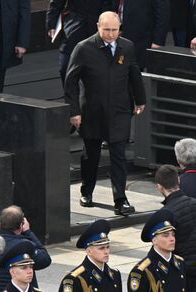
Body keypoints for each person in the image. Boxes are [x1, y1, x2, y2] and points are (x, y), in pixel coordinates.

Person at [65, 11, 146, 216]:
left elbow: (134, 74)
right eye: (107, 29)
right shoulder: (83, 48)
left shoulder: (126, 46)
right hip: (92, 111)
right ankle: (87, 190)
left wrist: (140, 99)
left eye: (114, 30)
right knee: (91, 155)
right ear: (98, 27)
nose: (111, 34)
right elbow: (70, 81)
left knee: (118, 155)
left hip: (119, 111)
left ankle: (121, 199)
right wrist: (74, 111)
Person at [155, 164, 196, 290]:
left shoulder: (166, 214)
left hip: (183, 275)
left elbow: (164, 250)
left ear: (159, 187)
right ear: (179, 180)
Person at [0, 206, 51, 291]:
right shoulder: (24, 247)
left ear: (0, 224)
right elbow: (45, 259)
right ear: (21, 225)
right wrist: (28, 232)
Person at [46, 0, 115, 86]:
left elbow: (110, 5)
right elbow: (56, 3)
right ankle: (70, 96)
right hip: (73, 25)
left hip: (98, 27)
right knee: (66, 65)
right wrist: (51, 24)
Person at [127, 209, 186, 291]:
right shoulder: (142, 271)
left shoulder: (180, 262)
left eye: (173, 234)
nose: (172, 239)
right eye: (166, 235)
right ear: (154, 240)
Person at [58, 219, 121, 292]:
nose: (106, 252)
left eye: (107, 247)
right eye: (101, 248)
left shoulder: (115, 275)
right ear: (89, 251)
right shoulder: (75, 279)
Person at [119, 0, 170, 69]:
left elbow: (163, 13)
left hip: (141, 38)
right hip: (120, 35)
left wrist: (158, 41)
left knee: (135, 72)